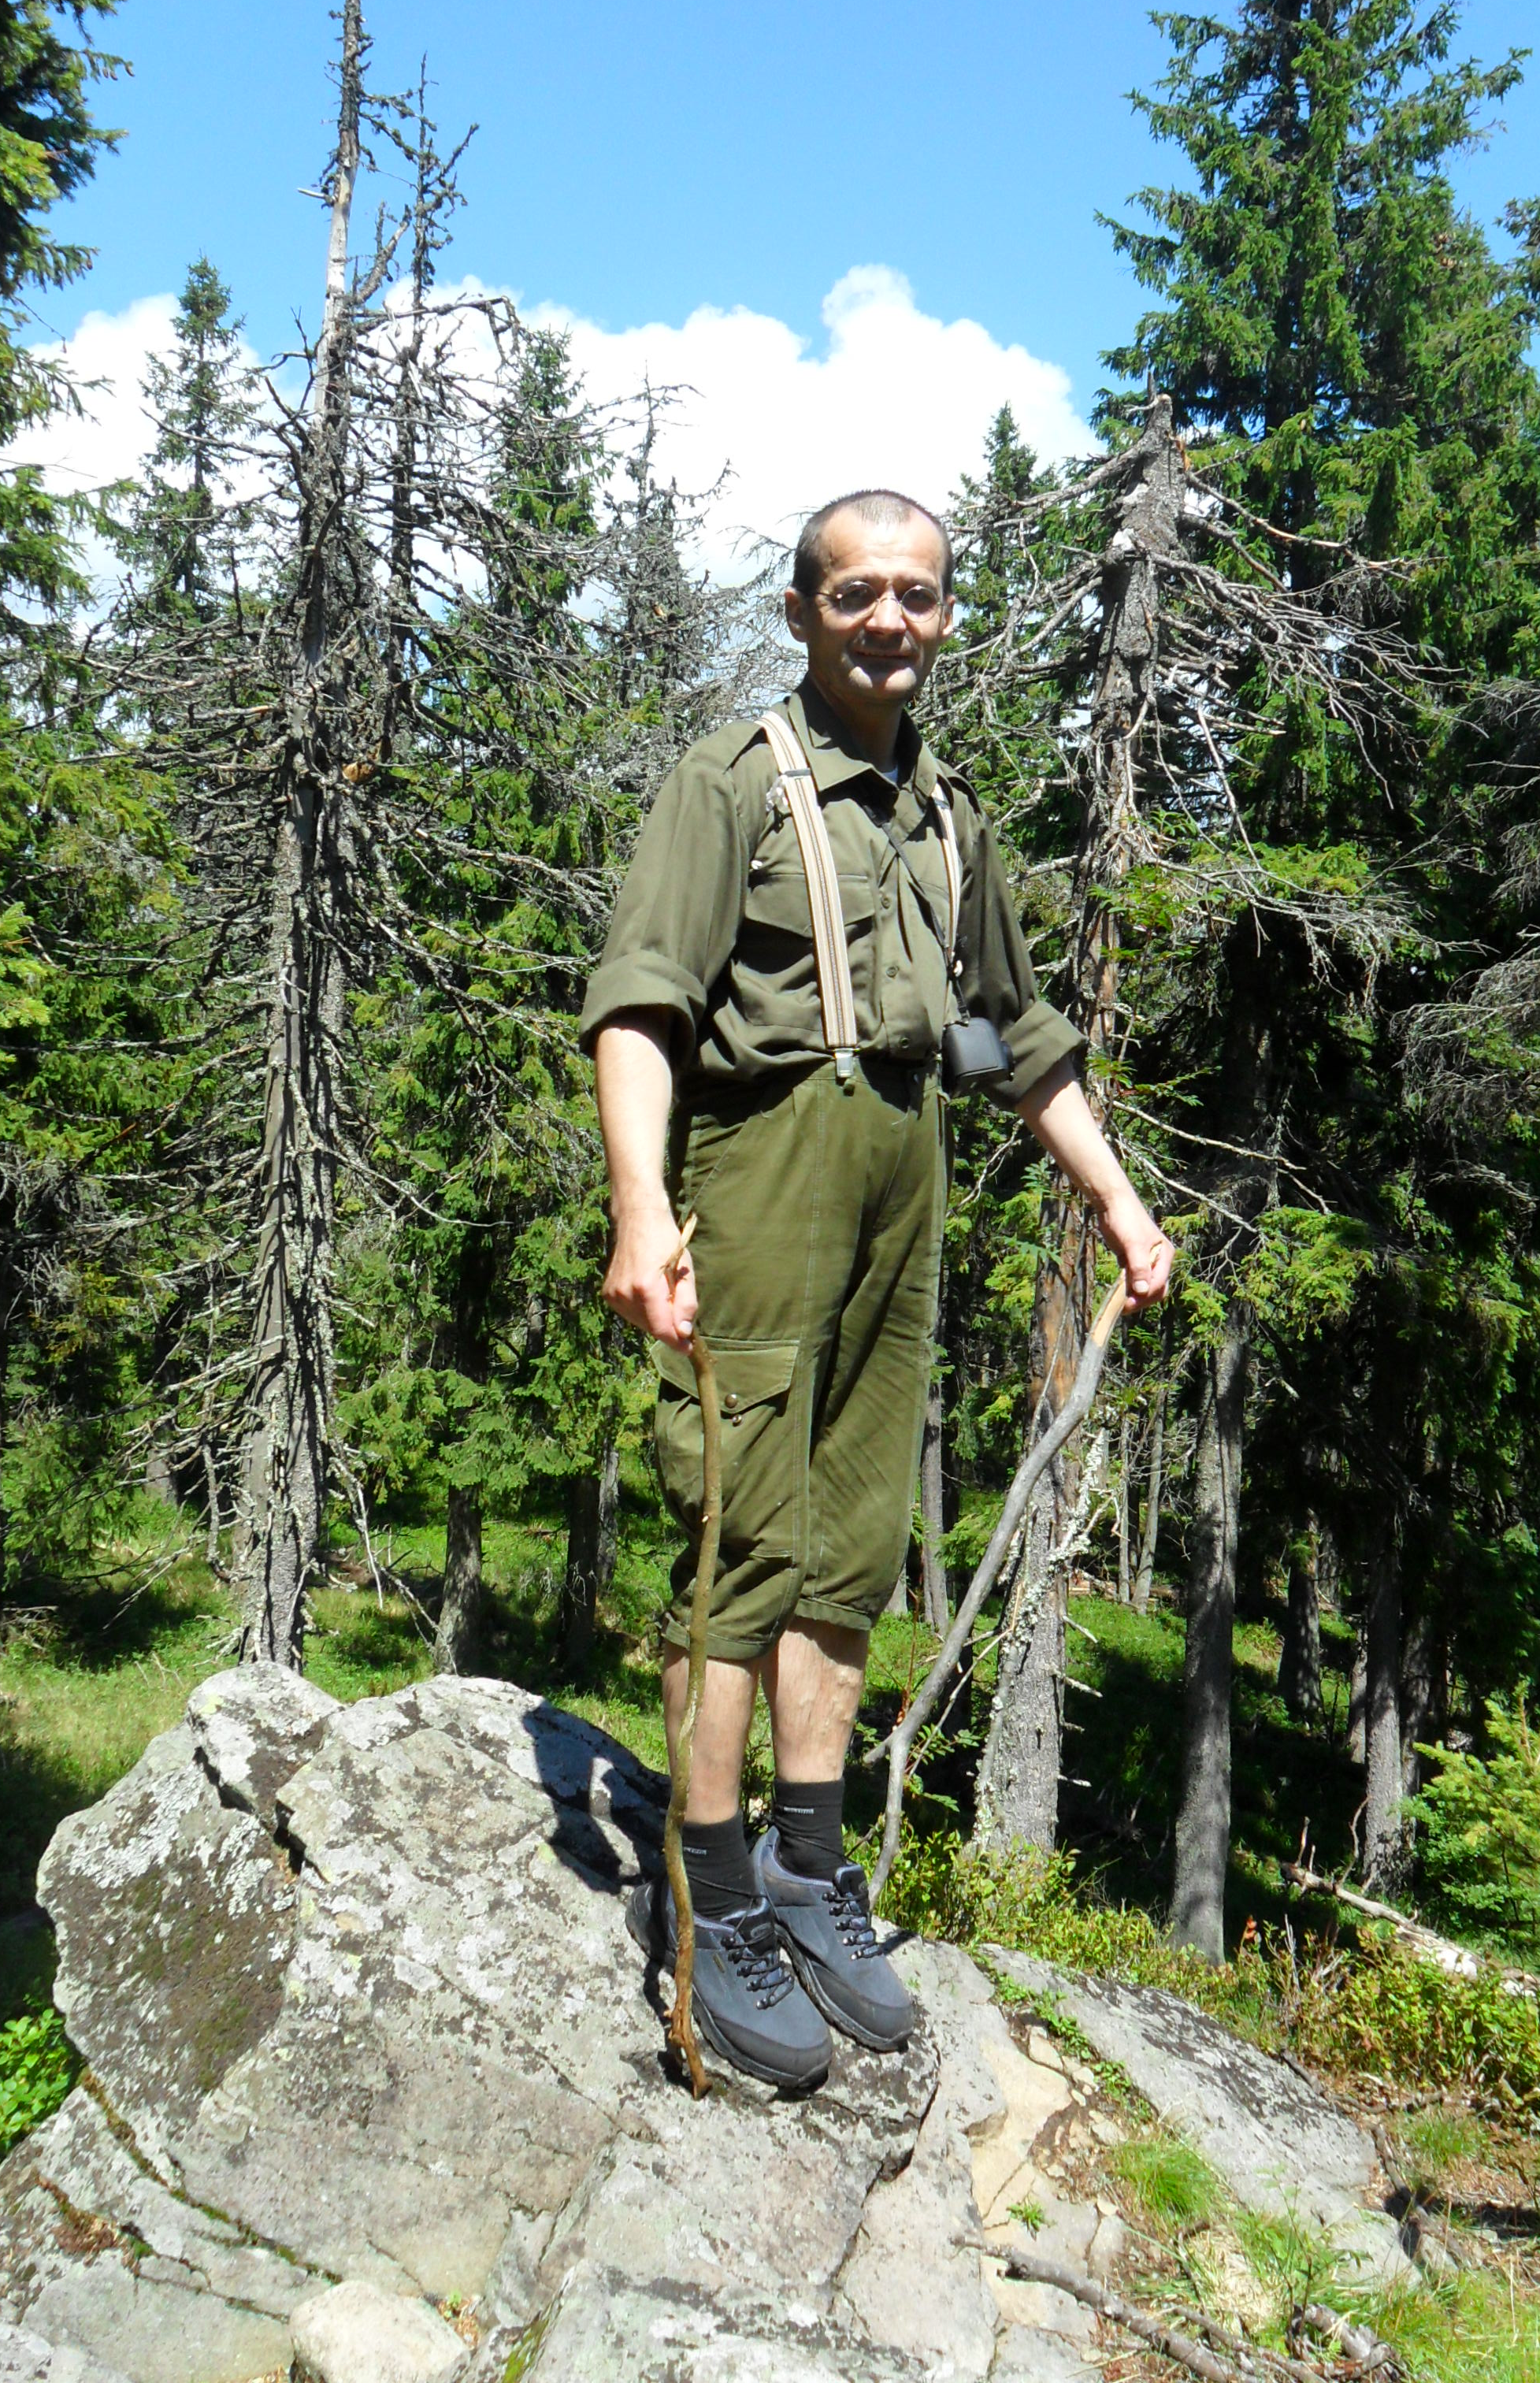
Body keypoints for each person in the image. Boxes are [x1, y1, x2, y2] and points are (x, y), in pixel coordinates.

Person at [581, 488, 1173, 2088]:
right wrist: (641, 1206)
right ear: (801, 613)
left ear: (946, 617)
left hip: (905, 1172)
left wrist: (1116, 1197)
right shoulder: (733, 782)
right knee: (741, 1541)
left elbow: (1011, 1036)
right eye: (856, 594)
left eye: (915, 594)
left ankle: (806, 1864)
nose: (888, 620)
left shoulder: (947, 814)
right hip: (760, 1168)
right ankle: (709, 1894)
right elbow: (640, 1003)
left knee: (846, 1543)